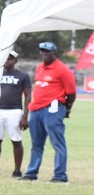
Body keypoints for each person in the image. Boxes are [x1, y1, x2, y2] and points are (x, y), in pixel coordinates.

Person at [21, 42, 76, 183]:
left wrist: (67, 108)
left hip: (53, 108)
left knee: (57, 143)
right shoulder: (39, 68)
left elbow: (71, 93)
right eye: (42, 51)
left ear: (54, 52)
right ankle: (31, 173)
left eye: (47, 51)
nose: (44, 54)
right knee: (36, 144)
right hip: (36, 109)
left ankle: (60, 175)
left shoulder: (63, 69)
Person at [0, 50, 31, 178]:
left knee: (16, 141)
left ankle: (17, 170)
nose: (7, 60)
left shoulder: (23, 76)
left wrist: (25, 115)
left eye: (10, 58)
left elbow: (28, 96)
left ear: (15, 60)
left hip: (14, 111)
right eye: (5, 58)